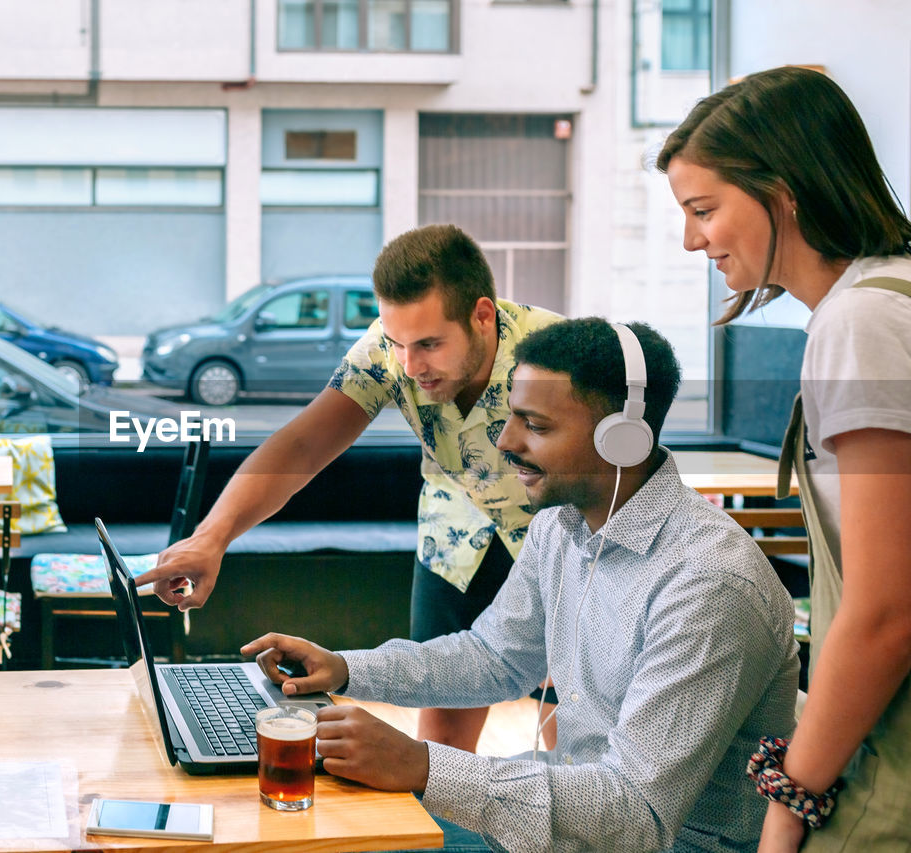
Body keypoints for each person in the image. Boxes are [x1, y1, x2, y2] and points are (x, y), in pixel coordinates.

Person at [243, 318, 800, 852]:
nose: (505, 441)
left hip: (658, 842)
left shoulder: (708, 585)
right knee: (332, 826)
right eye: (512, 417)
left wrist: (421, 763)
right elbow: (495, 658)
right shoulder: (563, 525)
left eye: (536, 426)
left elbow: (636, 815)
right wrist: (345, 669)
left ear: (623, 441)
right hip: (570, 821)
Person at [137, 223, 563, 752]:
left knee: (573, 719)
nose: (411, 366)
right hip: (456, 532)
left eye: (430, 344)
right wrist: (212, 537)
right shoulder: (387, 352)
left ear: (482, 315)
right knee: (443, 733)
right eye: (399, 343)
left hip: (560, 539)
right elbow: (301, 446)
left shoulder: (558, 356)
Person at [659, 65, 911, 851]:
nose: (692, 238)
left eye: (704, 209)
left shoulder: (860, 324)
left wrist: (787, 803)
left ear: (784, 190)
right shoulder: (891, 296)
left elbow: (885, 614)